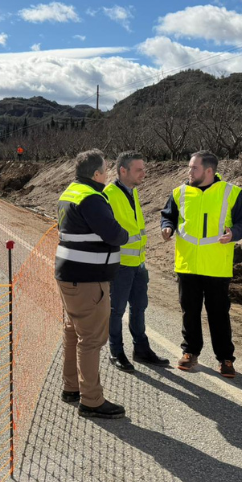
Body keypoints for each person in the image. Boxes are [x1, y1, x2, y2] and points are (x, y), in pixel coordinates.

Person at [161, 151, 242, 378]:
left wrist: (234, 233)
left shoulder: (231, 193)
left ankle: (225, 358)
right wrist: (167, 227)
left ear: (209, 171)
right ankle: (190, 352)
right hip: (187, 265)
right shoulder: (179, 192)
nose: (189, 172)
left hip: (216, 266)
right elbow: (168, 215)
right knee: (189, 312)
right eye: (190, 167)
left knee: (219, 314)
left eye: (194, 168)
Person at [55, 149, 129, 419]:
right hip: (87, 279)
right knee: (91, 339)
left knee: (74, 331)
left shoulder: (69, 192)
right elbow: (114, 234)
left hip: (69, 275)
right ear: (97, 174)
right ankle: (92, 401)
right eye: (106, 169)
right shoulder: (92, 198)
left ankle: (71, 388)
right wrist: (123, 232)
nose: (107, 173)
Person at [103, 152, 171, 373]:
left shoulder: (133, 192)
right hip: (120, 265)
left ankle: (141, 349)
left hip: (138, 263)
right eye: (139, 169)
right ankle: (116, 351)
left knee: (139, 307)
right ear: (123, 171)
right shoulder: (109, 194)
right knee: (116, 310)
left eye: (144, 168)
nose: (144, 173)